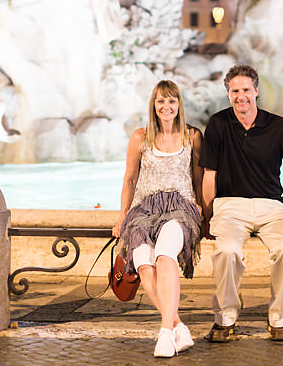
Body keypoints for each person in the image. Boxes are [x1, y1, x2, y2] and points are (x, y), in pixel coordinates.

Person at [201, 64, 283, 342]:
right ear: (228, 94)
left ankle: (278, 318)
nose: (241, 96)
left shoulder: (279, 126)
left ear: (256, 91)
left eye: (246, 90)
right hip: (229, 207)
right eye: (235, 91)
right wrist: (206, 215)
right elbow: (209, 176)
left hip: (273, 208)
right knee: (226, 251)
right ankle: (225, 317)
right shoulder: (218, 124)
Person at [113, 80, 204, 358]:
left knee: (165, 257)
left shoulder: (192, 136)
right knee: (143, 265)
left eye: (172, 101)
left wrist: (203, 209)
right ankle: (178, 326)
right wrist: (122, 216)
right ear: (153, 105)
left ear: (179, 105)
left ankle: (165, 331)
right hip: (143, 210)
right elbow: (129, 179)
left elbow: (198, 177)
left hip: (179, 207)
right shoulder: (140, 137)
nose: (167, 107)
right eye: (161, 101)